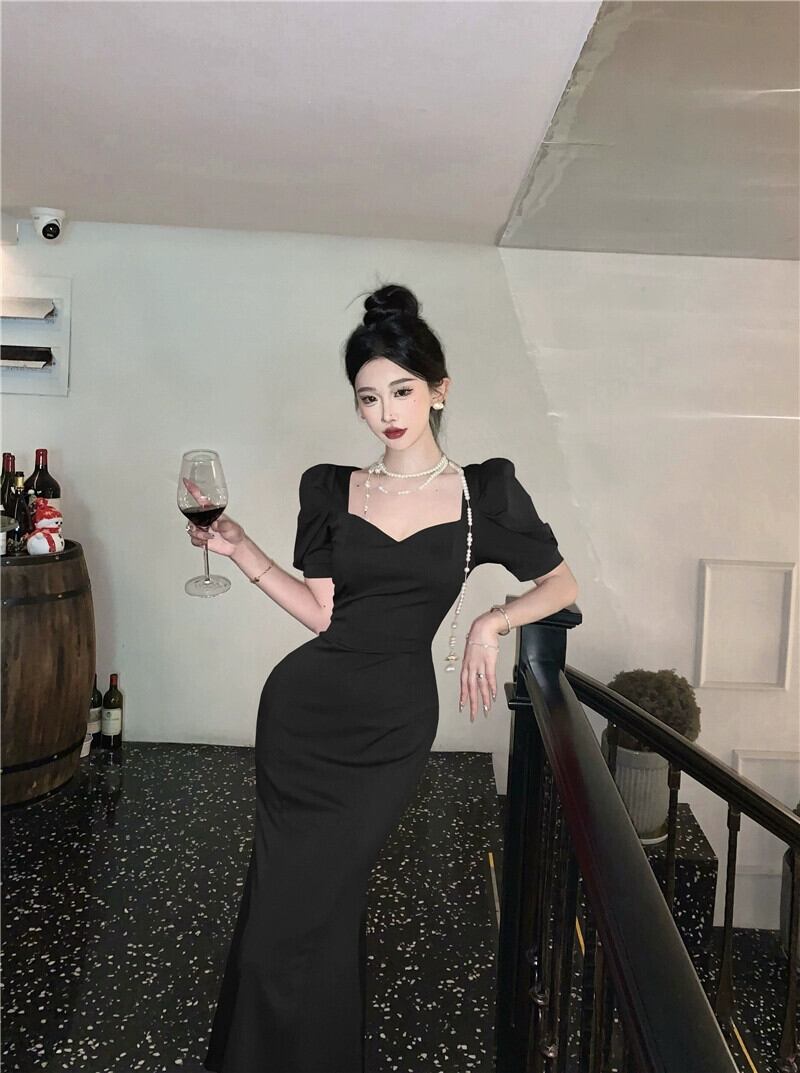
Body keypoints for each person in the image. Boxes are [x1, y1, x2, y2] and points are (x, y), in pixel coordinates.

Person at [187, 283, 578, 1073]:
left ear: (439, 389)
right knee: (284, 915)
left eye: (401, 390)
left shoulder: (483, 495)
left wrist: (491, 620)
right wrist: (239, 547)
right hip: (302, 717)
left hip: (392, 728)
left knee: (322, 903)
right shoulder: (329, 487)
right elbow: (322, 613)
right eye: (369, 397)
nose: (386, 412)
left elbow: (562, 584)